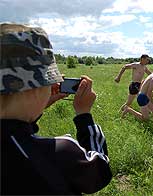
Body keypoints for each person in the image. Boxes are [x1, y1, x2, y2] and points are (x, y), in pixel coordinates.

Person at [1, 23, 111, 194]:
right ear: (35, 89)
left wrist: (38, 107)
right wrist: (84, 115)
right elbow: (100, 171)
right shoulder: (61, 151)